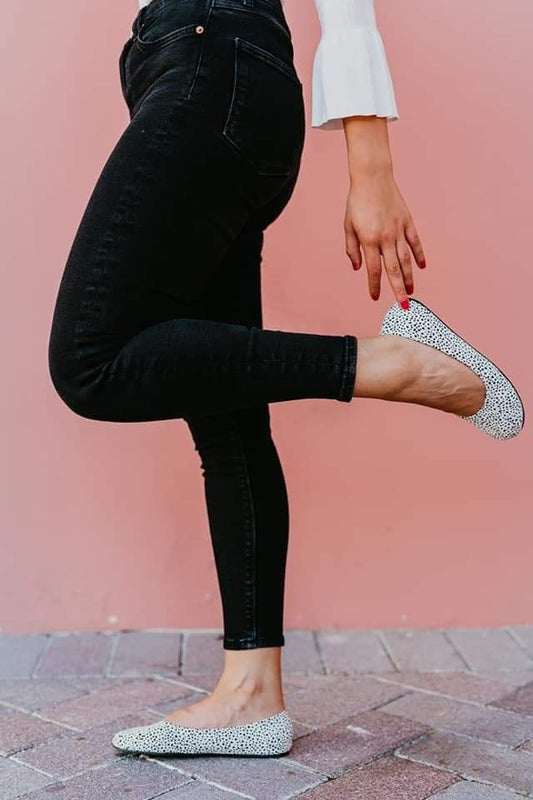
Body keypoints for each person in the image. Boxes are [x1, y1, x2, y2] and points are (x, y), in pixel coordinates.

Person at [47, 0, 524, 758]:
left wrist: (371, 168)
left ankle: (381, 363)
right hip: (211, 75)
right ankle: (252, 695)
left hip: (209, 65)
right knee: (228, 416)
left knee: (89, 359)